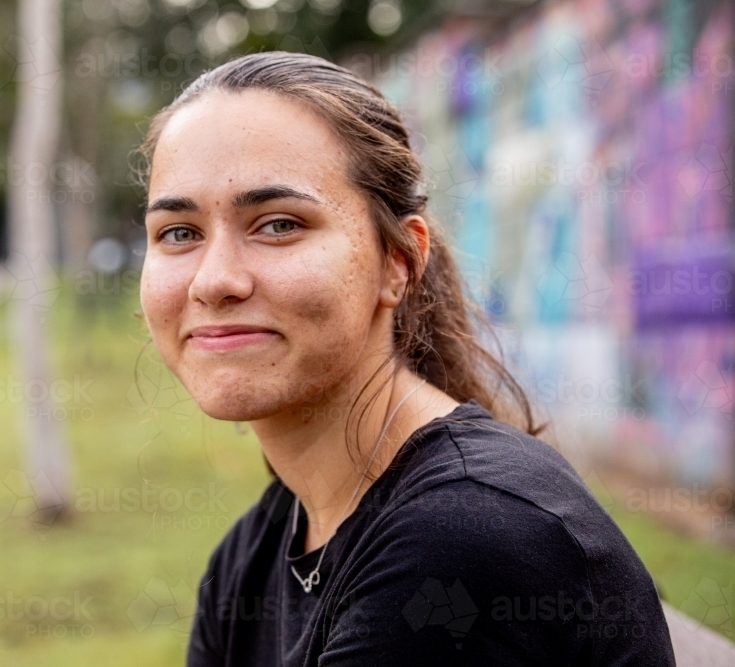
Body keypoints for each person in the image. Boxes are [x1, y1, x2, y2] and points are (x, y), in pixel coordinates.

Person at [134, 51, 675, 666]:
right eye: (179, 233)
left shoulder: (463, 540)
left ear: (399, 261)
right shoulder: (256, 552)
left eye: (279, 224)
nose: (214, 281)